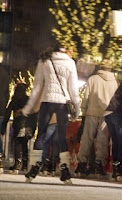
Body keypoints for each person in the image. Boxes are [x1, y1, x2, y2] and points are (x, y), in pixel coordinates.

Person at [22, 43, 80, 184]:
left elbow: (37, 86)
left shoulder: (44, 60)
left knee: (41, 134)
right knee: (61, 137)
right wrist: (77, 108)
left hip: (46, 102)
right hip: (62, 103)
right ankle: (65, 169)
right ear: (65, 51)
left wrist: (28, 107)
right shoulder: (70, 63)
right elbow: (73, 88)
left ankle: (34, 167)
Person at [75, 59, 118, 177]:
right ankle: (99, 165)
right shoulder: (114, 82)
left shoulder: (93, 79)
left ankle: (82, 164)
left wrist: (84, 110)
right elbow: (115, 100)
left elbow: (86, 96)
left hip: (92, 112)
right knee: (102, 139)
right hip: (106, 113)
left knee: (87, 139)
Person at [1, 83, 37, 174]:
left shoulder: (15, 100)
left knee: (17, 142)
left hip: (19, 124)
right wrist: (34, 127)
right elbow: (34, 113)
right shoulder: (29, 100)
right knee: (24, 143)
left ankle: (17, 163)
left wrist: (4, 125)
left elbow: (7, 113)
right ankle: (24, 164)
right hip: (29, 125)